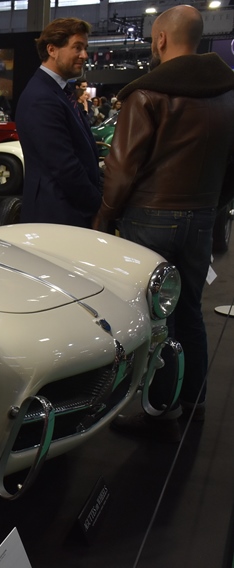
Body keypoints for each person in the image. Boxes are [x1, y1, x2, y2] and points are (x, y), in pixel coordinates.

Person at [92, 4, 234, 442]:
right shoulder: (228, 92)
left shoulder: (146, 94)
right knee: (189, 310)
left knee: (157, 320)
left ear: (161, 39)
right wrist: (213, 206)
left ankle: (160, 410)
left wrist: (104, 218)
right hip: (202, 217)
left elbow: (122, 169)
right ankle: (194, 400)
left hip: (150, 219)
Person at [15, 17, 101, 227]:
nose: (84, 55)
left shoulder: (59, 91)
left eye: (85, 48)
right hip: (56, 216)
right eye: (77, 47)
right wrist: (98, 205)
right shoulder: (41, 97)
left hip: (67, 212)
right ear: (52, 49)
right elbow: (64, 167)